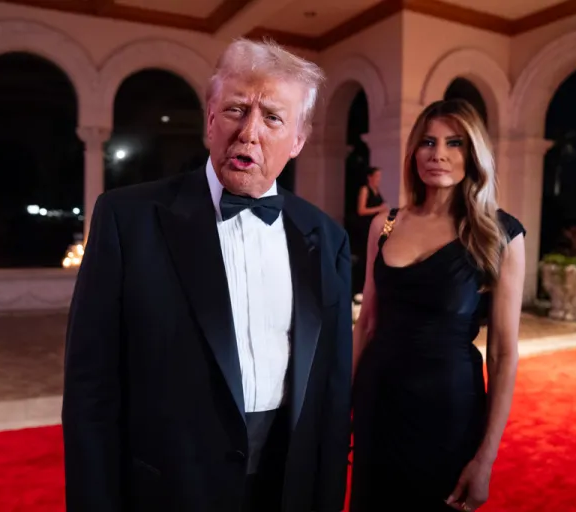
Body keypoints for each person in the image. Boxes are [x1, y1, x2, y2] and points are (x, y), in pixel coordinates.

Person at [62, 38, 353, 512]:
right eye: (237, 109)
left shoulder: (327, 239)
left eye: (273, 117)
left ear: (299, 139)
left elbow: (333, 394)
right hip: (171, 487)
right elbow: (90, 392)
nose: (249, 132)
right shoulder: (127, 220)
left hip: (286, 486)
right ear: (211, 118)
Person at [350, 99, 526, 511]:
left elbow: (502, 353)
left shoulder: (499, 233)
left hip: (448, 410)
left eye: (454, 143)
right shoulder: (386, 223)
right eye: (428, 142)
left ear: (474, 153)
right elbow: (368, 325)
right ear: (414, 151)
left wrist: (486, 458)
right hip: (378, 403)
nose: (438, 154)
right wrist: (343, 407)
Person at [353, 166, 387, 292]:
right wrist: (379, 209)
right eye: (377, 176)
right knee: (364, 257)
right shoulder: (365, 190)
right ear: (370, 177)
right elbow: (361, 210)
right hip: (365, 228)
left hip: (375, 228)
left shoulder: (377, 190)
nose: (379, 179)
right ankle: (359, 288)